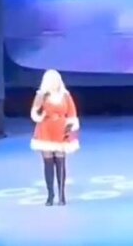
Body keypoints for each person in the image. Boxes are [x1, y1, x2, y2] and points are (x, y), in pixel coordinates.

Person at [30, 70, 80, 206]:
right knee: (48, 164)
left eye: (56, 80)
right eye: (51, 81)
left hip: (61, 132)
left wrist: (69, 130)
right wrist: (41, 108)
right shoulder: (41, 96)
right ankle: (50, 195)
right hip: (45, 131)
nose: (54, 83)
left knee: (60, 163)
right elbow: (35, 114)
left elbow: (72, 114)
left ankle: (62, 195)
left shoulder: (65, 95)